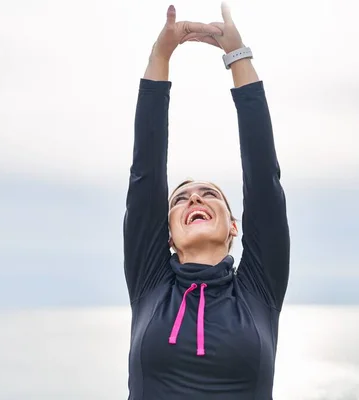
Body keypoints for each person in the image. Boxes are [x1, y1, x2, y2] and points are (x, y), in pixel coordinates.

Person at [123, 3, 290, 399]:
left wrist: (238, 56)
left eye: (209, 194)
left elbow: (264, 180)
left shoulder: (258, 290)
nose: (194, 196)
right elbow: (145, 172)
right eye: (180, 199)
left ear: (234, 226)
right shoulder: (151, 283)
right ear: (168, 234)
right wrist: (159, 57)